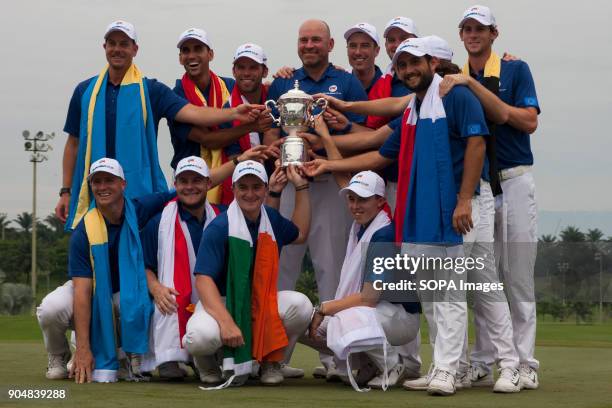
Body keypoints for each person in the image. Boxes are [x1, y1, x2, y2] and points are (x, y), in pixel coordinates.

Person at [304, 37, 489, 396]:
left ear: (432, 63)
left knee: (447, 294)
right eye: (402, 66)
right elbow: (378, 157)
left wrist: (465, 199)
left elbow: (477, 142)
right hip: (421, 213)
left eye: (413, 63)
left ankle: (449, 369)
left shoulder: (456, 95)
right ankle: (448, 366)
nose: (407, 70)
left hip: (453, 211)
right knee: (434, 297)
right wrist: (330, 163)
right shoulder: (412, 111)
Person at [55, 21, 262, 230]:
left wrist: (236, 112)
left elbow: (194, 113)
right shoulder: (85, 91)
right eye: (112, 43)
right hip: (96, 190)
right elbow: (73, 143)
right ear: (105, 47)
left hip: (138, 195)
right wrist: (66, 191)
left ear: (134, 49)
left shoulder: (152, 91)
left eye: (124, 44)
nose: (117, 49)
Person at [439, 4, 541, 390]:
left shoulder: (514, 69)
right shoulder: (454, 76)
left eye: (479, 28)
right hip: (477, 187)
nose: (472, 34)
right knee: (481, 277)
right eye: (466, 29)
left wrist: (471, 86)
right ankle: (484, 358)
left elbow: (527, 120)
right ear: (461, 35)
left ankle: (526, 361)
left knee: (517, 276)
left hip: (513, 180)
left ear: (494, 33)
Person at [302, 117, 419, 391]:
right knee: (302, 322)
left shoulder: (383, 234)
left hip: (401, 318)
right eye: (352, 199)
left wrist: (325, 308)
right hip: (380, 312)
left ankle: (392, 363)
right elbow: (343, 181)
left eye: (363, 199)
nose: (355, 205)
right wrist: (325, 137)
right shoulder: (362, 225)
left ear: (380, 201)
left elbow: (368, 298)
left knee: (342, 318)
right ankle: (368, 363)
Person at [37, 158, 175, 383]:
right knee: (50, 308)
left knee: (139, 303)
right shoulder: (83, 231)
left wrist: (238, 160)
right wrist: (83, 349)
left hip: (123, 291)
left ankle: (127, 356)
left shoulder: (138, 209)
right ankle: (59, 354)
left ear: (123, 184)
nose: (102, 187)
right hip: (90, 290)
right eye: (97, 182)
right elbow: (82, 292)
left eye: (109, 180)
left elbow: (185, 188)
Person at [139, 149, 269, 379]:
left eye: (197, 180)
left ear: (209, 183)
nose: (190, 187)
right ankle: (173, 357)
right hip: (173, 300)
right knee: (166, 300)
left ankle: (213, 357)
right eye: (184, 181)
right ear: (175, 184)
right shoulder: (158, 223)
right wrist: (156, 288)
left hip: (218, 298)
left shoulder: (225, 217)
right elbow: (143, 264)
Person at [182, 161, 313, 387]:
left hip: (259, 300)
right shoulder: (220, 227)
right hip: (221, 301)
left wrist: (301, 187)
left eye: (256, 187)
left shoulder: (271, 218)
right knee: (200, 338)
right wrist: (226, 323)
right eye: (243, 187)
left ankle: (271, 362)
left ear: (265, 189)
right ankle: (207, 364)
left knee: (301, 305)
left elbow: (300, 234)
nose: (250, 194)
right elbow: (203, 281)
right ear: (233, 190)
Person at [168, 29, 272, 205]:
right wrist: (251, 127)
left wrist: (285, 76)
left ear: (210, 54)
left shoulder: (230, 86)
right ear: (180, 58)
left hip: (230, 175)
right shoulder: (174, 97)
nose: (191, 55)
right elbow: (207, 140)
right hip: (190, 181)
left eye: (198, 49)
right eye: (186, 50)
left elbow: (257, 89)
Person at [366, 16, 418, 129]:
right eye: (391, 40)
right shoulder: (380, 86)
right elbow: (373, 132)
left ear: (417, 41)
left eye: (403, 38)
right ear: (385, 46)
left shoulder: (431, 76)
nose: (397, 44)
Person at [343, 23, 382, 94]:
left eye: (365, 46)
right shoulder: (339, 84)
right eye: (353, 46)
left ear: (377, 51)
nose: (358, 52)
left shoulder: (390, 86)